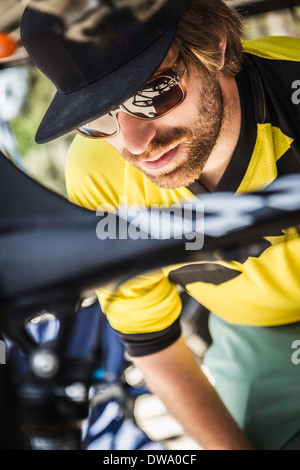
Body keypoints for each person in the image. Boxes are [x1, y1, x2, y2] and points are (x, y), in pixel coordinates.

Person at [20, 0, 300, 450]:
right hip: (253, 331)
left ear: (213, 46)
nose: (133, 144)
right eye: (96, 118)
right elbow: (151, 341)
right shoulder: (99, 173)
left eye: (153, 93)